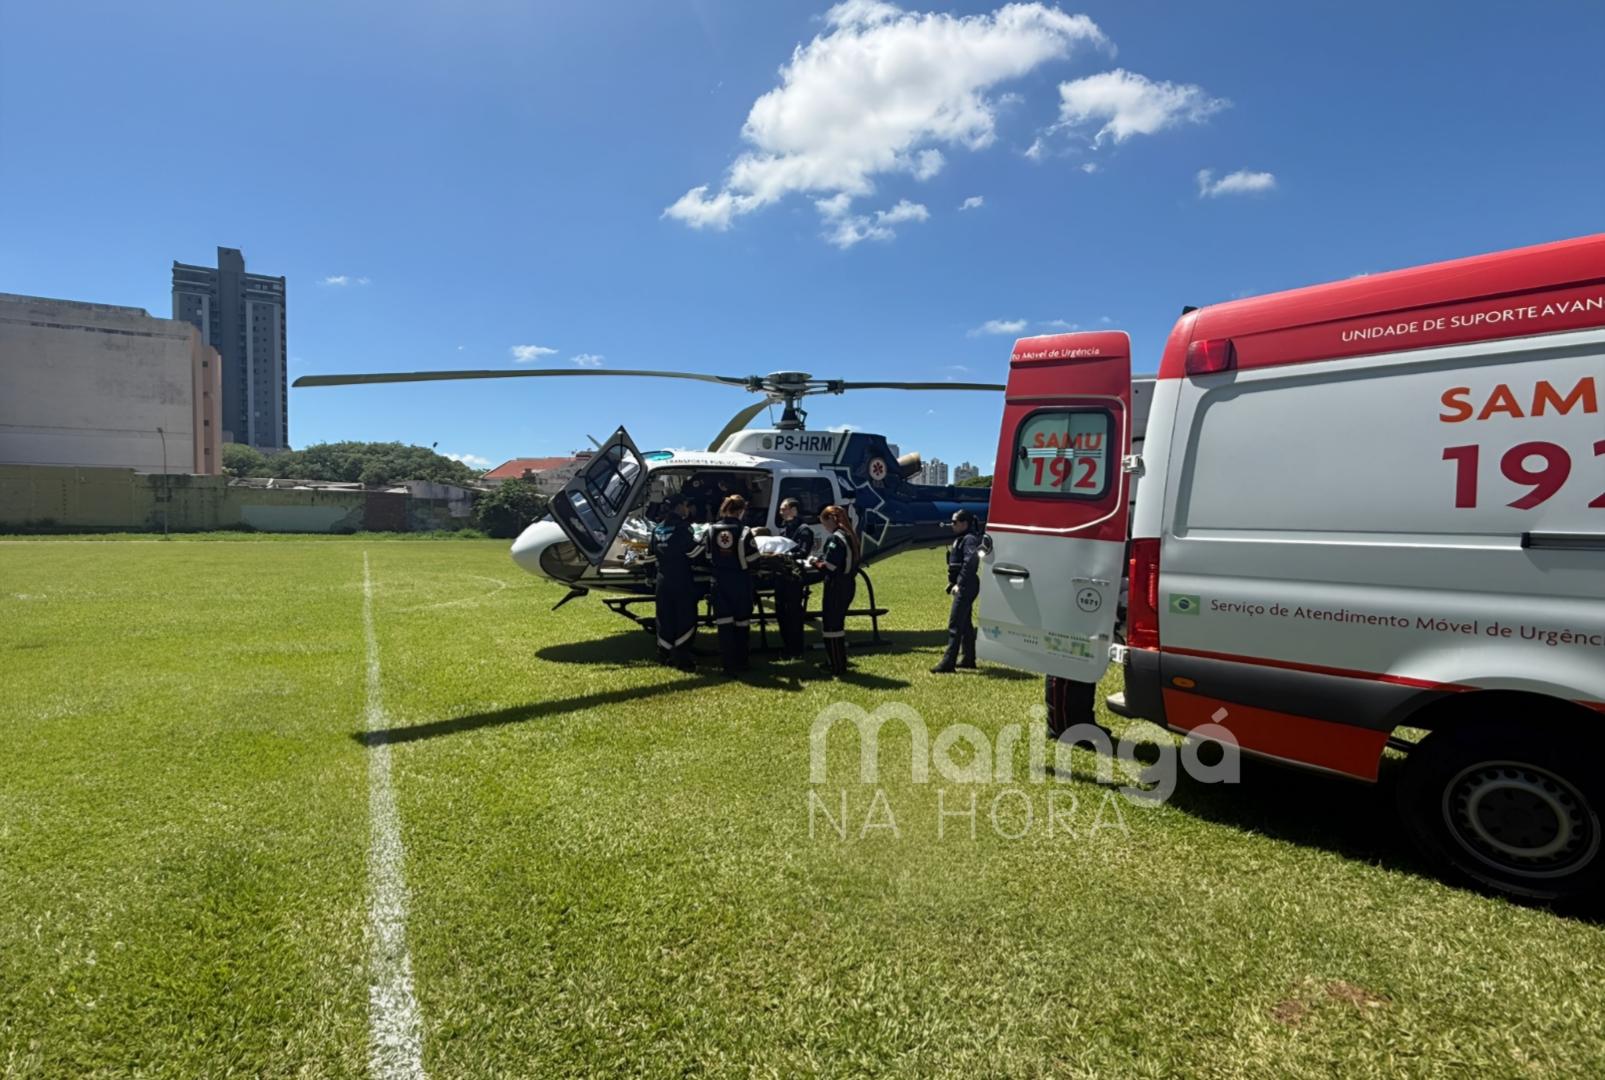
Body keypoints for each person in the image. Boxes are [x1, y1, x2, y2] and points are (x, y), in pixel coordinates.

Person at [648, 492, 704, 671]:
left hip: (662, 578)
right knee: (685, 616)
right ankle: (682, 657)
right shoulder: (683, 527)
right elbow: (692, 553)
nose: (687, 509)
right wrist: (704, 545)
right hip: (681, 578)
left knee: (664, 617)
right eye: (685, 505)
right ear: (679, 507)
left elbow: (650, 555)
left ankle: (663, 653)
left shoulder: (657, 529)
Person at [706, 493, 760, 675]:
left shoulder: (711, 530)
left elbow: (706, 556)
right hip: (739, 581)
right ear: (741, 510)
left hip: (719, 581)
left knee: (724, 624)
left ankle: (727, 664)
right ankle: (742, 662)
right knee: (742, 623)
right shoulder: (744, 531)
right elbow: (753, 559)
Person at [810, 505, 859, 677]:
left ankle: (836, 665)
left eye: (824, 524)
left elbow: (829, 566)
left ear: (831, 520)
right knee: (836, 624)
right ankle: (837, 661)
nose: (825, 528)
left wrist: (814, 562)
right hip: (847, 583)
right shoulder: (850, 535)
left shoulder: (835, 538)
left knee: (831, 626)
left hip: (836, 586)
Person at [931, 508, 981, 673]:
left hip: (967, 585)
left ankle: (948, 662)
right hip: (964, 584)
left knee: (955, 624)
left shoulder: (969, 540)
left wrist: (959, 583)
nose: (951, 525)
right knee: (965, 623)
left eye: (954, 522)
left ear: (964, 524)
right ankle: (968, 658)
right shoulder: (962, 539)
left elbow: (971, 561)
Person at [774, 496, 814, 659]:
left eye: (784, 509)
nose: (781, 512)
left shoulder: (804, 530)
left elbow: (803, 552)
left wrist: (783, 555)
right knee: (781, 612)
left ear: (794, 510)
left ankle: (796, 648)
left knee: (793, 613)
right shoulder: (784, 528)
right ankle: (786, 646)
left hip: (793, 577)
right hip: (781, 576)